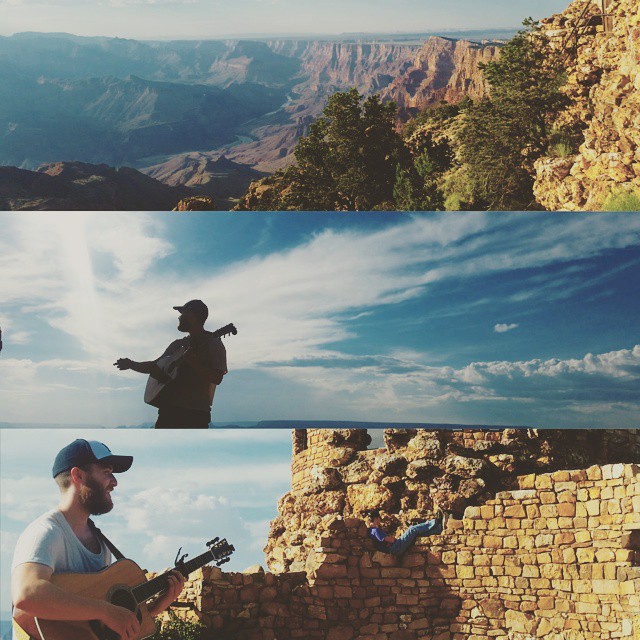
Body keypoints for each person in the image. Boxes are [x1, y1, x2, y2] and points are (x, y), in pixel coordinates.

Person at [11, 439, 185, 640]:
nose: (115, 481)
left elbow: (92, 627)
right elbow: (26, 594)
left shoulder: (101, 544)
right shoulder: (46, 532)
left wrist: (152, 610)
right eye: (106, 472)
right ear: (78, 475)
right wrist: (105, 611)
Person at [114, 300, 228, 428]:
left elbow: (217, 378)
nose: (179, 317)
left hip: (195, 416)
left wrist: (194, 362)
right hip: (167, 413)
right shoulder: (177, 345)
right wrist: (131, 364)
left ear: (192, 315)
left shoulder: (214, 345)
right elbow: (156, 366)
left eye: (182, 313)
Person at [364, 508, 447, 556]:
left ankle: (438, 529)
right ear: (376, 518)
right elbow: (390, 540)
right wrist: (396, 539)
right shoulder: (375, 530)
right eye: (379, 519)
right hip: (394, 548)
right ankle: (435, 521)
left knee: (415, 536)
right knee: (412, 529)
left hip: (394, 548)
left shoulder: (372, 531)